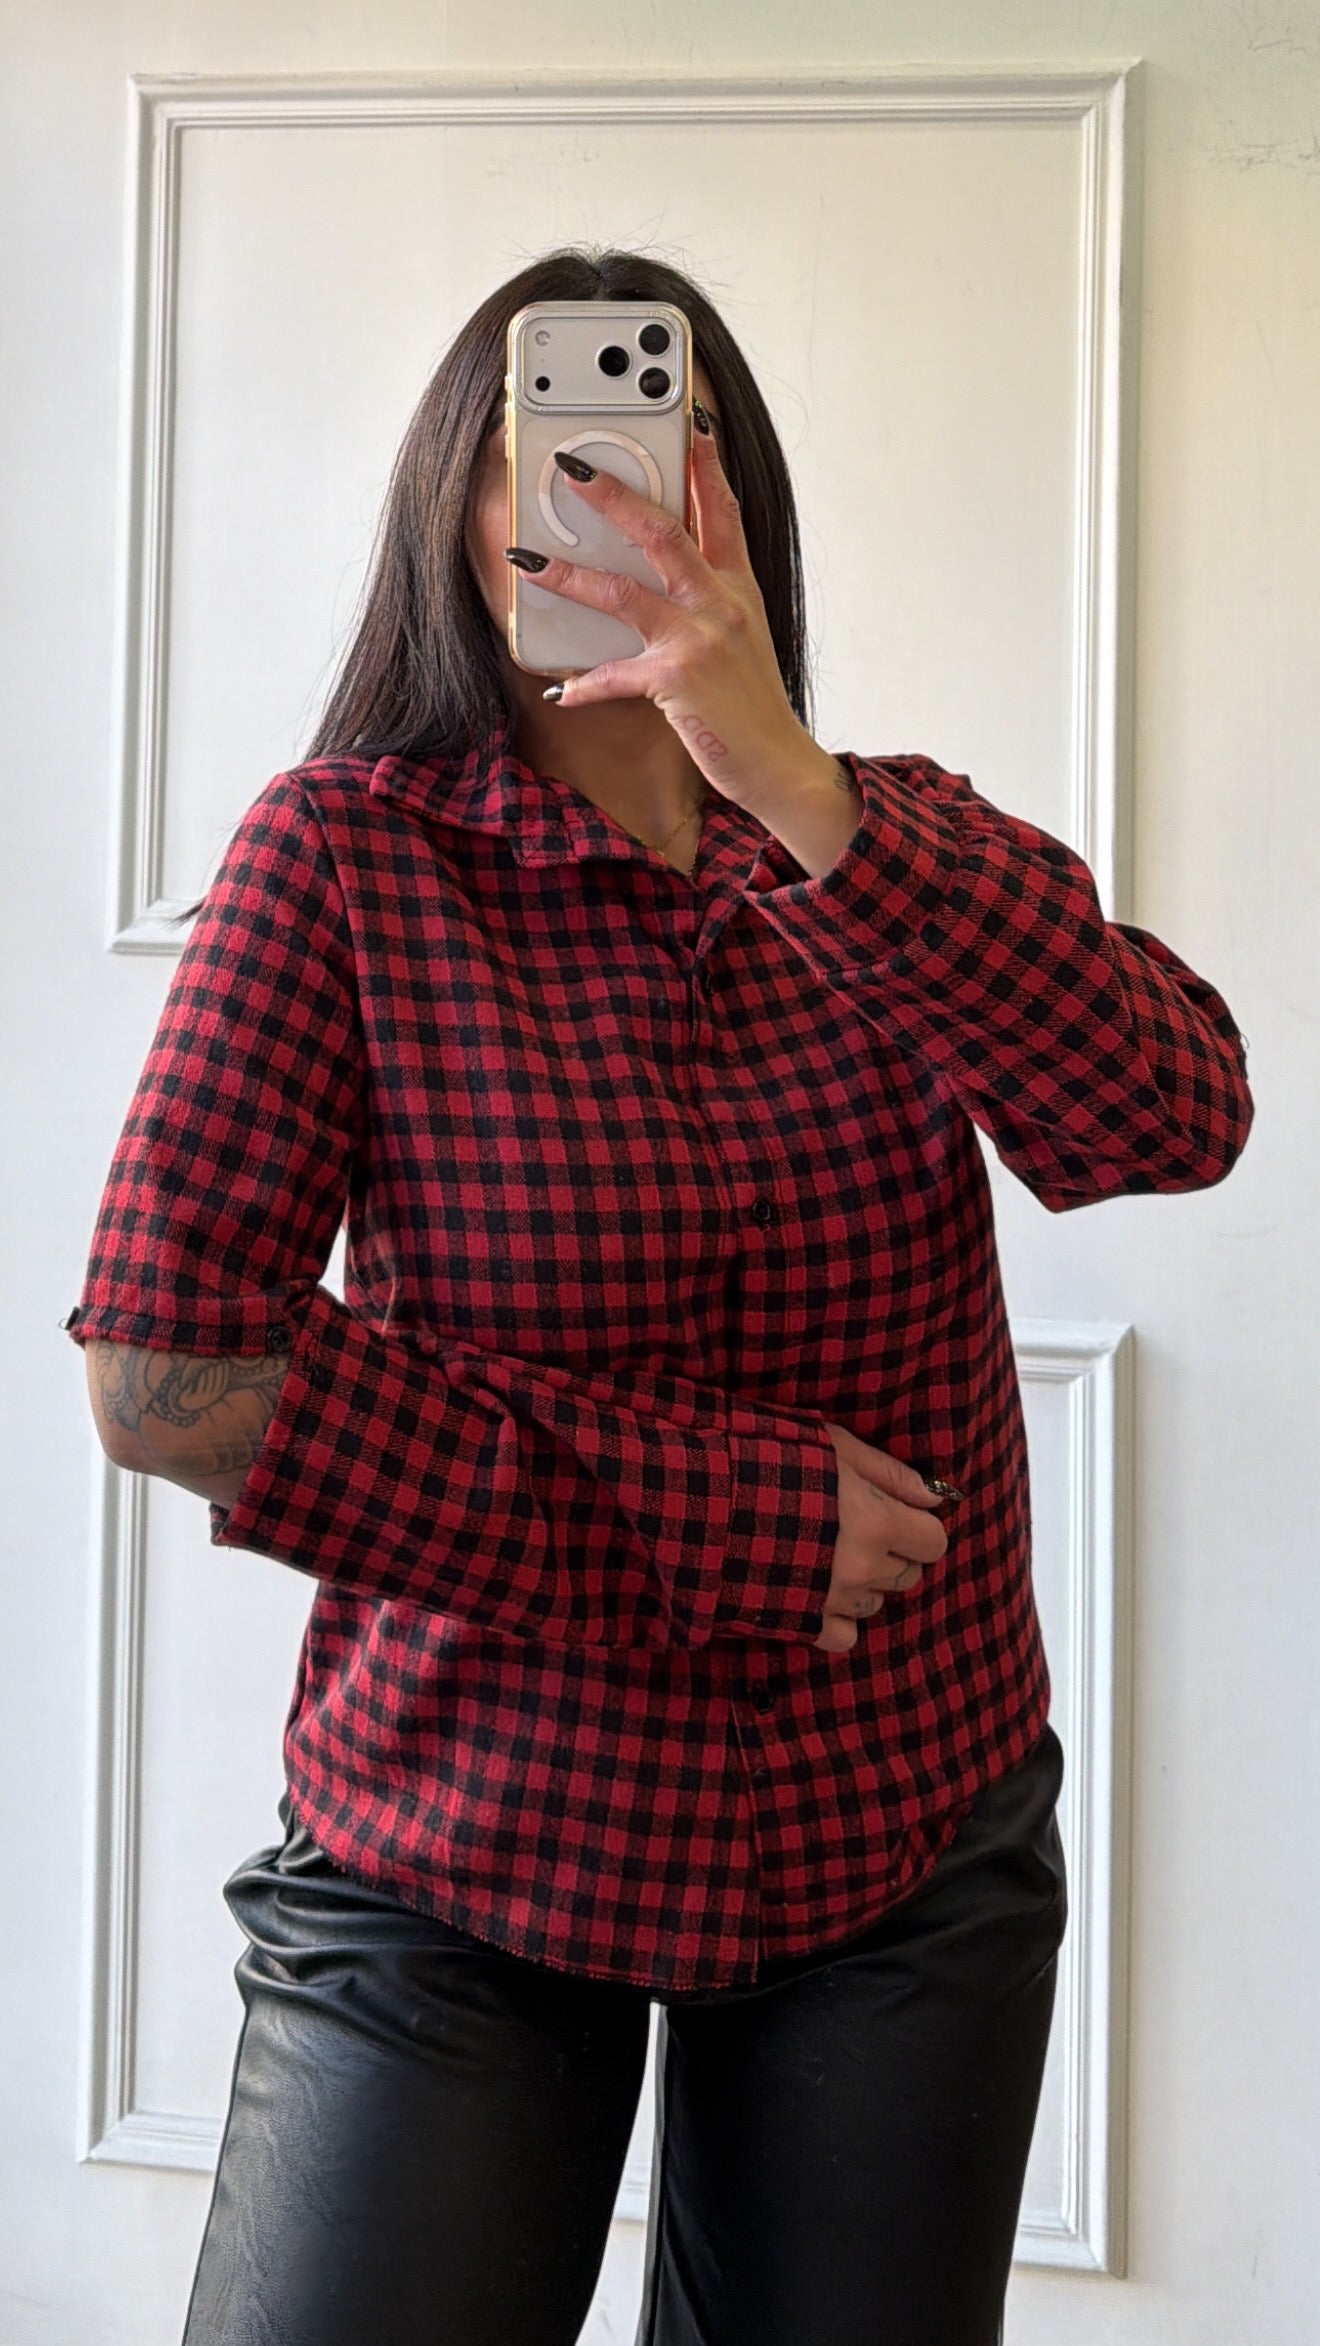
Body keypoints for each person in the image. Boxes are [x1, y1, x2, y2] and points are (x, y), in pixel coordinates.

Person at [62, 247, 1254, 2346]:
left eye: (663, 443)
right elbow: (169, 1367)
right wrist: (725, 1520)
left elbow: (1177, 1112)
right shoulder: (339, 861)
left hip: (905, 1834)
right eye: (550, 447)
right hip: (464, 1833)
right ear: (455, 507)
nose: (607, 497)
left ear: (743, 506)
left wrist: (799, 788)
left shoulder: (894, 845)